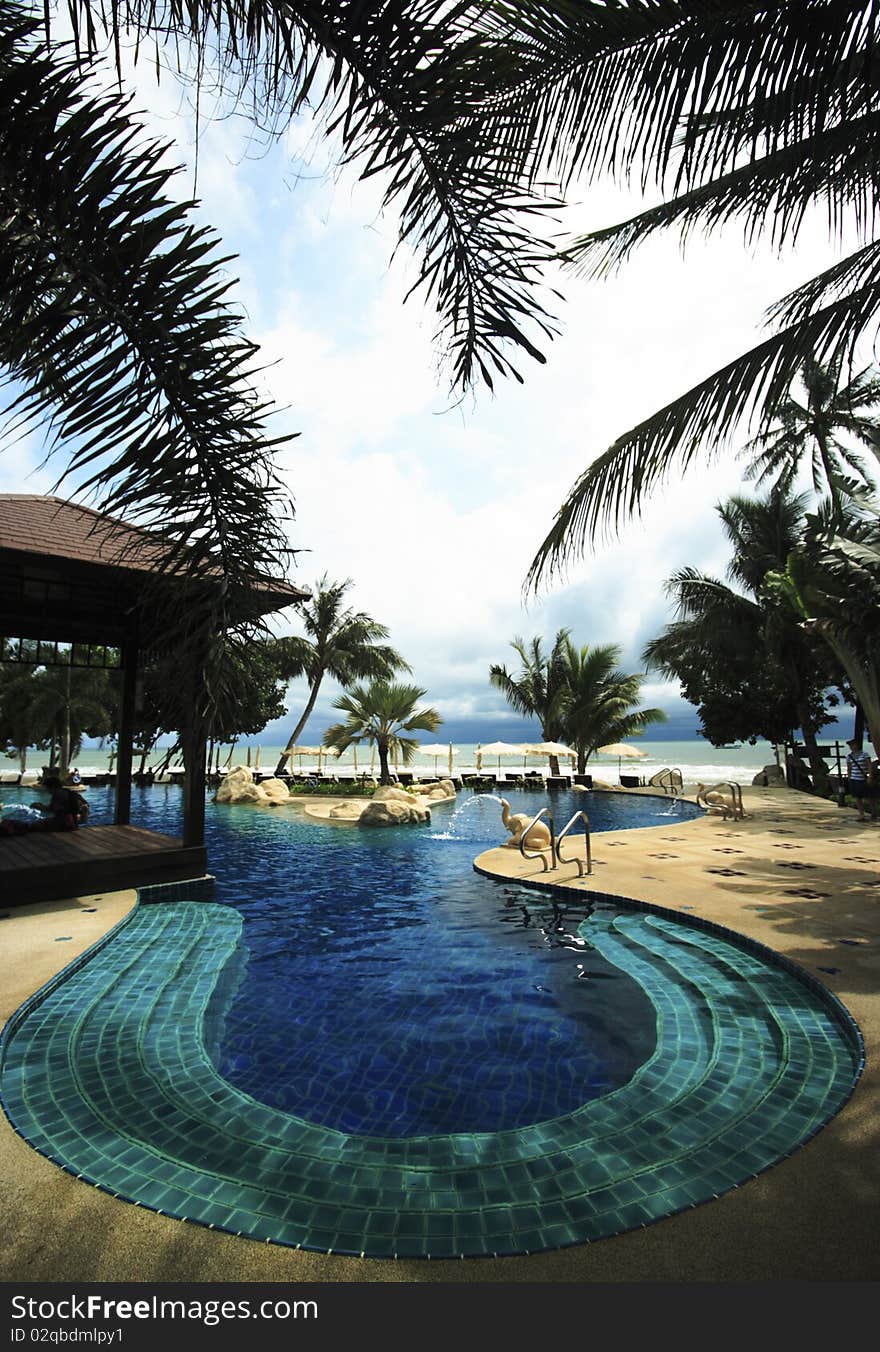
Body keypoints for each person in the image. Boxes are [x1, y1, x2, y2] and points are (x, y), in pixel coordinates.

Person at [846, 739, 877, 822]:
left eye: (852, 745)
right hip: (854, 779)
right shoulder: (849, 756)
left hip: (863, 779)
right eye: (850, 745)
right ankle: (861, 814)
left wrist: (870, 776)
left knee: (869, 797)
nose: (851, 747)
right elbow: (849, 768)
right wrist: (849, 778)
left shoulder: (864, 754)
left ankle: (873, 812)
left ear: (857, 745)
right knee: (857, 797)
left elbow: (869, 765)